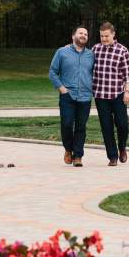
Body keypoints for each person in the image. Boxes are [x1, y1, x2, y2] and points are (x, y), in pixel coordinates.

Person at [48, 26, 94, 167]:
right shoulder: (62, 52)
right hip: (68, 95)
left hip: (85, 96)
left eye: (85, 34)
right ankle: (68, 149)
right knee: (67, 124)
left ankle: (78, 155)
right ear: (73, 35)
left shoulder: (91, 55)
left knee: (81, 127)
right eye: (80, 33)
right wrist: (62, 89)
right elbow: (52, 72)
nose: (83, 35)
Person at [92, 22, 129, 166]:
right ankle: (112, 156)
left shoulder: (122, 50)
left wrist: (127, 91)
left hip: (117, 94)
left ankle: (122, 148)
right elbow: (82, 58)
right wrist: (69, 47)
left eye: (106, 36)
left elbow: (127, 74)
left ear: (113, 34)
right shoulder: (95, 49)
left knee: (122, 125)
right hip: (100, 95)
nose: (103, 39)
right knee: (106, 126)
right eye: (101, 36)